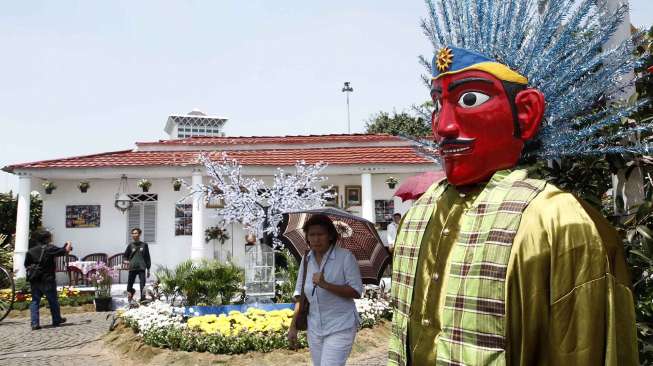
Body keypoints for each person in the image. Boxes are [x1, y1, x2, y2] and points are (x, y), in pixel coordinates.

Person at [387, 3, 639, 364]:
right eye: (438, 103)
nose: (443, 126)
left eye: (469, 99)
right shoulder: (421, 214)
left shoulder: (558, 220)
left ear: (527, 112)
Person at [287, 214, 363, 366]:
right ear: (307, 237)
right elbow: (301, 295)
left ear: (330, 236)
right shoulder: (306, 259)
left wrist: (325, 284)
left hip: (340, 326)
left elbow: (356, 291)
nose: (316, 239)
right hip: (315, 328)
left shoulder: (345, 257)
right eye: (312, 235)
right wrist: (293, 326)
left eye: (320, 234)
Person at [24, 229, 72, 330]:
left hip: (35, 280)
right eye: (50, 237)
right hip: (48, 279)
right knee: (53, 300)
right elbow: (65, 251)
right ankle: (56, 319)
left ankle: (34, 323)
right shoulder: (50, 248)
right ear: (46, 239)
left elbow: (26, 265)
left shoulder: (31, 250)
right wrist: (68, 243)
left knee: (35, 301)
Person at [123, 227, 151, 303]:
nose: (134, 235)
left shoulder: (144, 245)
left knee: (143, 285)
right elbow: (125, 256)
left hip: (142, 267)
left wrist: (148, 269)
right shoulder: (130, 245)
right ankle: (132, 292)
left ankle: (143, 299)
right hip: (132, 267)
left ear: (139, 234)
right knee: (129, 286)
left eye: (136, 233)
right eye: (133, 233)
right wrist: (126, 261)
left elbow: (147, 257)